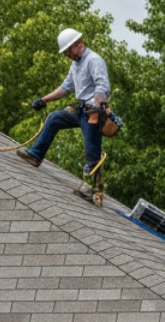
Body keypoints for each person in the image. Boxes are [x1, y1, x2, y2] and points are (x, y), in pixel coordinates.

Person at [17, 28, 113, 196]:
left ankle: (94, 190)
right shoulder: (76, 64)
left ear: (78, 46)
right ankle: (35, 155)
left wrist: (97, 108)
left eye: (67, 51)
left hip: (93, 112)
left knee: (92, 150)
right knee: (55, 118)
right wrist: (44, 100)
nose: (66, 55)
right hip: (80, 109)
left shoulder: (94, 60)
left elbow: (102, 86)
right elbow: (66, 87)